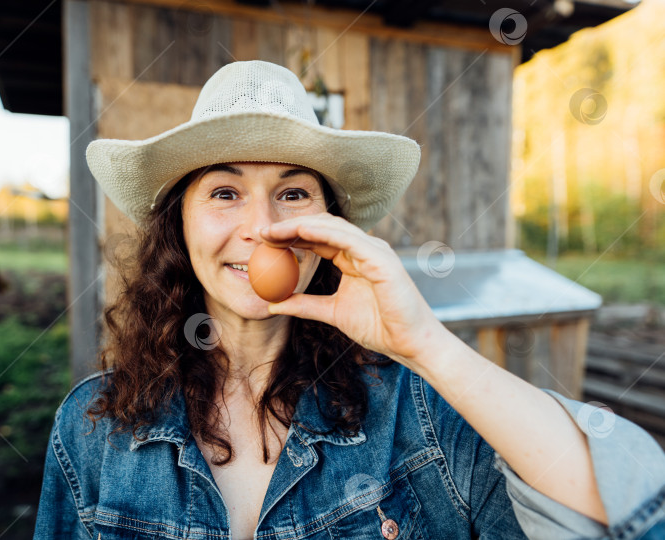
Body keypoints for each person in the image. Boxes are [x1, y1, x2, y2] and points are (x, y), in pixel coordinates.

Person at [33, 60, 665, 539]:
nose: (261, 227)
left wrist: (425, 344)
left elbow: (622, 515)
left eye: (293, 193)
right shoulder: (93, 427)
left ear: (330, 227)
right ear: (180, 228)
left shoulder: (412, 409)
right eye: (224, 193)